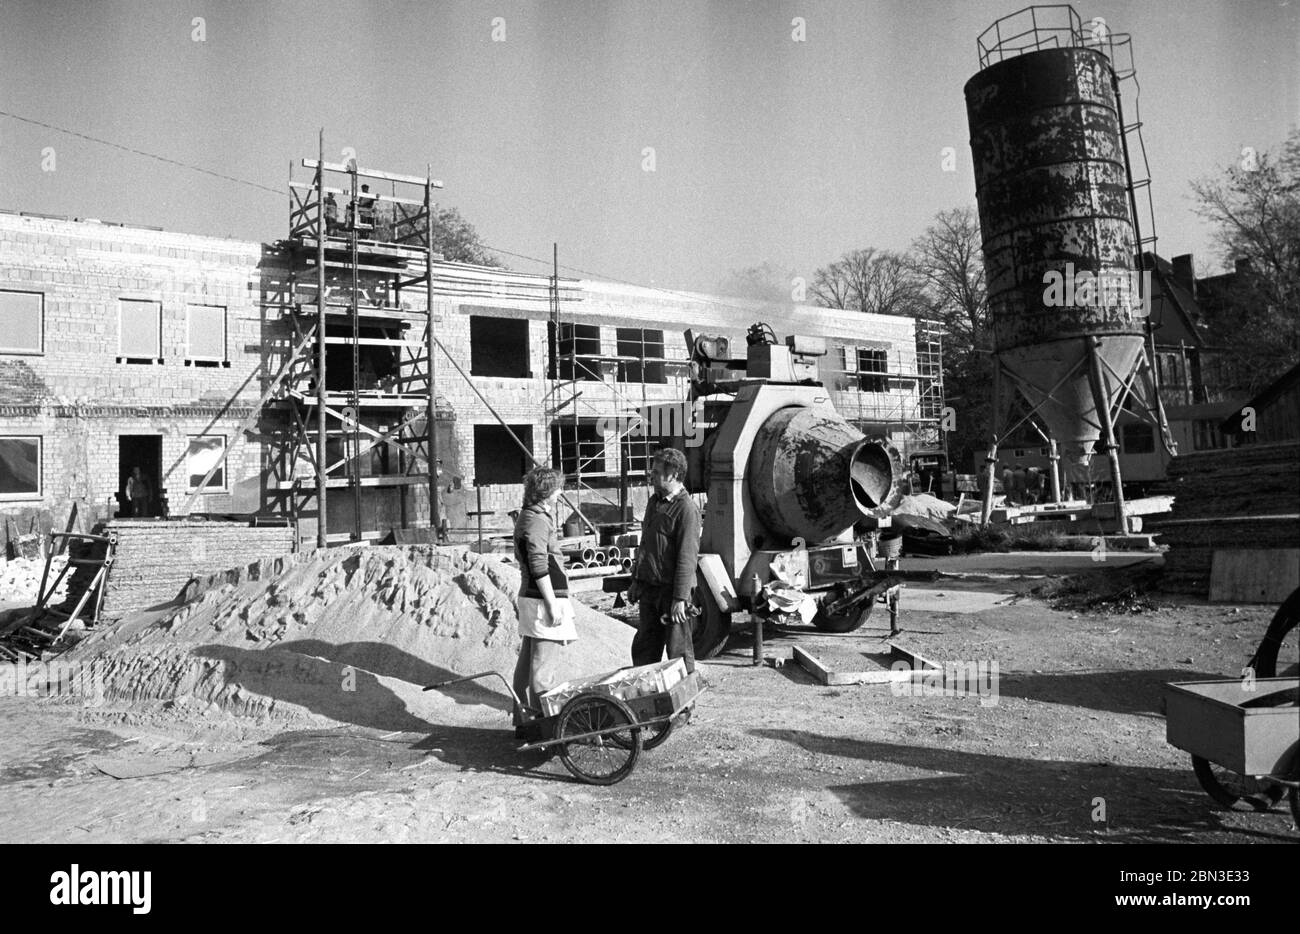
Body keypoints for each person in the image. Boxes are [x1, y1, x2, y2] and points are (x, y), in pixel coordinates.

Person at [512, 467, 576, 736]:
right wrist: (552, 604)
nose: (561, 493)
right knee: (542, 670)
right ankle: (546, 730)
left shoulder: (531, 515)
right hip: (541, 601)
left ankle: (524, 722)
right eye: (558, 488)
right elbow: (539, 564)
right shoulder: (537, 520)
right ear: (546, 492)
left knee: (527, 665)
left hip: (532, 598)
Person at [626, 448, 701, 673]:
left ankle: (685, 706)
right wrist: (636, 581)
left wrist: (680, 598)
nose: (652, 475)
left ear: (674, 474)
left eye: (657, 472)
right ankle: (646, 700)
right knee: (644, 650)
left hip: (671, 594)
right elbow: (646, 547)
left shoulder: (686, 509)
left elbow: (687, 557)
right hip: (649, 590)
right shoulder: (654, 502)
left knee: (678, 652)